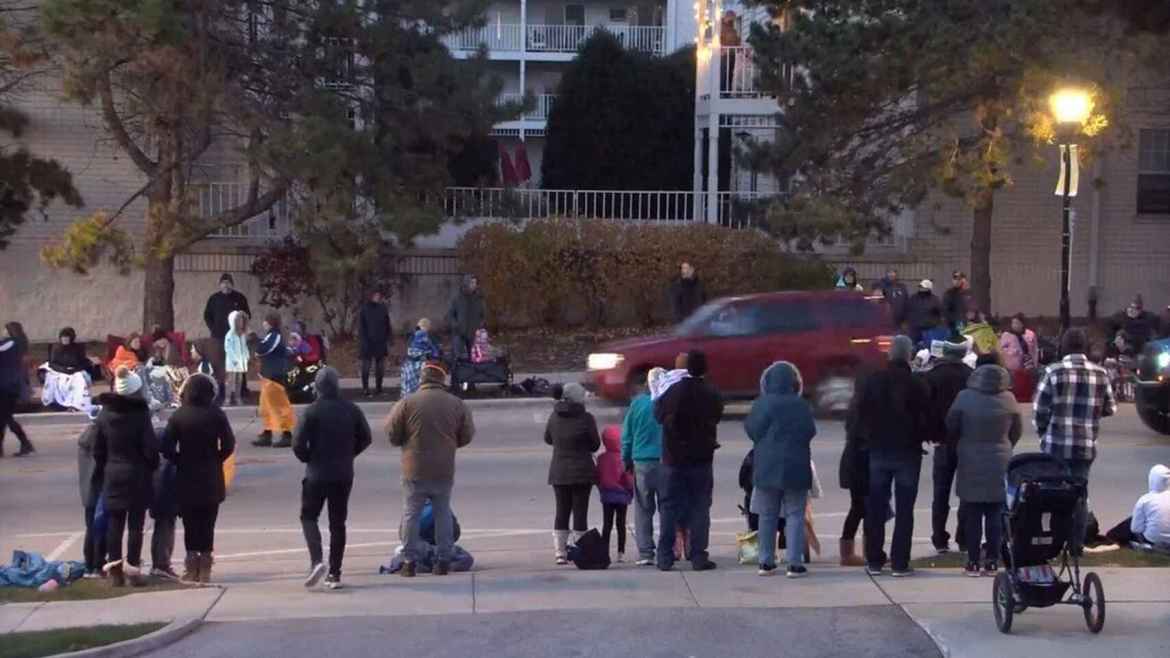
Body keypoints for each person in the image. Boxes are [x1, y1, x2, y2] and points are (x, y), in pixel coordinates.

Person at [386, 361, 475, 577]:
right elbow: (467, 434)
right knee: (442, 512)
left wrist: (406, 443)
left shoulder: (406, 403)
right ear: (442, 379)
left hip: (413, 468)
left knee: (411, 514)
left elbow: (392, 434)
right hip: (443, 469)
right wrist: (449, 445)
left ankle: (409, 561)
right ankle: (443, 560)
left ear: (422, 378)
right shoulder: (456, 403)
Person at [1033, 328, 1116, 555]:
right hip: (1085, 445)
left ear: (1063, 347)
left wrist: (1043, 433)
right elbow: (1110, 408)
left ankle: (1054, 543)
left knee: (1054, 494)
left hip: (1056, 445)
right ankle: (1076, 545)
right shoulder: (1101, 374)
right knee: (1079, 495)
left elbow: (1040, 410)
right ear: (1086, 348)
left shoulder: (1053, 371)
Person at [856, 336, 930, 576]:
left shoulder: (874, 381)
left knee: (876, 506)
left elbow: (861, 413)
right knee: (905, 509)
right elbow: (925, 417)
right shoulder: (916, 383)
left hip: (878, 449)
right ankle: (900, 562)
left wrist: (866, 439)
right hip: (907, 451)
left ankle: (874, 559)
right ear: (909, 355)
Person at [294, 367, 372, 590]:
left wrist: (308, 458)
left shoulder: (311, 411)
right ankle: (335, 573)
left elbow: (297, 443)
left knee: (309, 516)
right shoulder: (351, 409)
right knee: (338, 523)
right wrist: (349, 454)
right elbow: (366, 438)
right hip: (343, 473)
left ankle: (317, 560)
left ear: (317, 388)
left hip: (317, 472)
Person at [946, 364, 1022, 576]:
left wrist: (960, 444)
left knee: (972, 512)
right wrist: (1005, 445)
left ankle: (972, 560)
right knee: (996, 513)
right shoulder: (1009, 399)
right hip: (1000, 459)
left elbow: (951, 425)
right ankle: (991, 560)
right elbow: (1017, 430)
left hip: (970, 457)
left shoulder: (964, 397)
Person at [158, 373, 235, 584]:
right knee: (208, 523)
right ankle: (206, 565)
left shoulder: (179, 416)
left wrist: (178, 459)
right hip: (211, 474)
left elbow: (165, 446)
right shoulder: (217, 414)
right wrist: (217, 458)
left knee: (190, 524)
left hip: (187, 474)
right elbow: (229, 443)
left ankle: (192, 566)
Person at [654, 351, 724, 571]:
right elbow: (717, 416)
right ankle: (698, 555)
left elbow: (657, 415)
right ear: (705, 369)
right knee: (700, 507)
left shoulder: (672, 391)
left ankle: (664, 556)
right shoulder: (711, 393)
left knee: (668, 507)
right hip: (701, 458)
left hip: (672, 458)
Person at [745, 361, 816, 578]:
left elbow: (752, 430)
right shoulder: (801, 405)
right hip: (796, 465)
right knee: (795, 514)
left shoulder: (761, 405)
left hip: (767, 466)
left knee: (767, 515)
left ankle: (766, 561)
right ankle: (794, 563)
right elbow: (810, 431)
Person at [93, 367, 160, 587]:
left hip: (113, 472)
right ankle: (133, 569)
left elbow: (98, 450)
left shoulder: (104, 415)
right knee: (135, 525)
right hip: (137, 473)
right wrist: (152, 465)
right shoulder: (140, 415)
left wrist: (105, 468)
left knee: (115, 522)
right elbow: (150, 447)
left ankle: (115, 571)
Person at [923, 339, 974, 555]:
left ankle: (939, 538)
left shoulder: (932, 376)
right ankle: (963, 536)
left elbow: (925, 407)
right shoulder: (970, 376)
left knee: (940, 493)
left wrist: (929, 433)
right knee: (965, 492)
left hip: (942, 440)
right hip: (966, 440)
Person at [544, 383, 601, 565]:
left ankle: (560, 552)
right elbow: (595, 445)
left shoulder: (554, 416)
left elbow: (548, 438)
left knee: (561, 510)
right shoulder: (586, 418)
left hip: (559, 470)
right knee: (580, 512)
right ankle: (579, 549)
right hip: (582, 471)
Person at [621, 367, 666, 567]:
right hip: (666, 462)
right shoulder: (667, 404)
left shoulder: (637, 405)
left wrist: (626, 459)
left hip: (642, 462)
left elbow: (627, 436)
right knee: (667, 508)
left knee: (643, 508)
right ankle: (667, 549)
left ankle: (646, 551)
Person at [838, 371, 871, 567]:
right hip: (861, 463)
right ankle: (864, 551)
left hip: (852, 461)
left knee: (859, 508)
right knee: (863, 508)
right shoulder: (866, 408)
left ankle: (849, 552)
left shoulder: (854, 405)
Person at [203, 273, 251, 404]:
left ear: (232, 284)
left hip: (237, 338)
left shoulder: (240, 298)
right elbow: (207, 315)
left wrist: (242, 330)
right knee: (220, 365)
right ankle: (222, 392)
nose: (226, 285)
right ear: (220, 284)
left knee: (239, 368)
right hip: (218, 337)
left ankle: (240, 392)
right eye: (223, 282)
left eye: (228, 282)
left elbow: (247, 315)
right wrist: (213, 328)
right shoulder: (214, 299)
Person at [254, 313, 295, 448]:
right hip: (268, 375)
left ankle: (287, 434)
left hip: (275, 375)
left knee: (279, 405)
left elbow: (263, 349)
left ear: (269, 323)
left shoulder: (275, 335)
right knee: (266, 406)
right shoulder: (270, 336)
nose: (263, 324)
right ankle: (267, 432)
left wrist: (253, 340)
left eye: (265, 321)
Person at [1106, 465, 1170, 549]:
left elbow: (1135, 529)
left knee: (1132, 521)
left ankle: (1111, 537)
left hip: (1151, 540)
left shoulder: (1145, 500)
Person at [597, 425, 634, 562]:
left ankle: (603, 551)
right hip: (622, 495)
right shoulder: (623, 458)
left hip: (607, 495)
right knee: (621, 524)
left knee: (607, 525)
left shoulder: (601, 458)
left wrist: (601, 487)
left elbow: (598, 476)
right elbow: (628, 478)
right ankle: (621, 552)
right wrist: (630, 492)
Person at [77, 406, 106, 577]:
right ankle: (97, 564)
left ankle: (90, 564)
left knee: (91, 528)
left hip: (87, 492)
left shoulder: (84, 438)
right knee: (99, 529)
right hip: (97, 490)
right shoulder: (97, 437)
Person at [0, 322, 34, 457]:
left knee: (4, 417)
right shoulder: (15, 343)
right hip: (8, 385)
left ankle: (25, 443)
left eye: (4, 330)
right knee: (4, 417)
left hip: (7, 386)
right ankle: (24, 443)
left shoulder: (12, 343)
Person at [42, 327, 95, 412]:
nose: (65, 340)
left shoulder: (78, 348)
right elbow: (52, 363)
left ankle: (76, 404)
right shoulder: (56, 348)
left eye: (67, 338)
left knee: (80, 380)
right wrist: (63, 369)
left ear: (72, 338)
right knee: (54, 380)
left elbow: (83, 362)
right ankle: (58, 404)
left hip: (75, 371)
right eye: (63, 338)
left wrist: (75, 369)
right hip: (60, 371)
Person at [358, 290, 392, 398]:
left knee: (380, 367)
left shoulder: (383, 309)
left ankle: (379, 388)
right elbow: (361, 328)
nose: (378, 297)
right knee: (366, 367)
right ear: (371, 296)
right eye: (375, 295)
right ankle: (365, 389)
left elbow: (387, 324)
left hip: (380, 342)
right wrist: (364, 341)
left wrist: (388, 338)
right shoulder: (364, 309)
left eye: (379, 295)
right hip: (367, 343)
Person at [447, 275, 486, 361]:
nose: (474, 285)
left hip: (473, 333)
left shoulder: (478, 298)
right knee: (457, 357)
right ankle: (458, 373)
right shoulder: (457, 298)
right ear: (466, 283)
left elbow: (483, 314)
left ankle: (471, 373)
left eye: (475, 283)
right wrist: (456, 325)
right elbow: (450, 315)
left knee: (474, 358)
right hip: (459, 333)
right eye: (472, 282)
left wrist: (480, 325)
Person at [401, 319, 441, 399]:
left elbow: (408, 351)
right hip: (424, 365)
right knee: (422, 385)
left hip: (410, 365)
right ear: (428, 327)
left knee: (409, 387)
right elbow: (435, 352)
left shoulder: (412, 336)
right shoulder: (429, 337)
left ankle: (408, 399)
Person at [223, 311, 250, 406]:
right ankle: (227, 398)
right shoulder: (230, 334)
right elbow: (228, 348)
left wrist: (247, 355)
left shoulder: (242, 335)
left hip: (241, 362)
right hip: (233, 362)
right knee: (230, 381)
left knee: (239, 380)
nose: (241, 322)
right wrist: (234, 360)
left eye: (242, 320)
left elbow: (244, 346)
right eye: (239, 320)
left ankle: (238, 398)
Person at [905, 280, 942, 346]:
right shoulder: (913, 298)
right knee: (914, 348)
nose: (921, 288)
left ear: (929, 288)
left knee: (927, 348)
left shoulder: (935, 300)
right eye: (920, 286)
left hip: (929, 330)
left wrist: (934, 324)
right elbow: (907, 311)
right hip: (915, 330)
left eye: (923, 287)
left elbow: (939, 314)